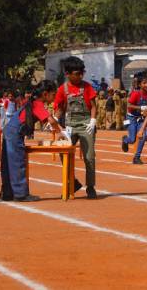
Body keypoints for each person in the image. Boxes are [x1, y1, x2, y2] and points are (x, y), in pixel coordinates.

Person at [0, 80, 65, 202]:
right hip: (15, 133)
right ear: (45, 94)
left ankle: (7, 193)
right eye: (53, 94)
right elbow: (51, 121)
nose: (54, 97)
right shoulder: (37, 104)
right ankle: (20, 194)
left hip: (10, 131)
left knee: (8, 163)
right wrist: (62, 132)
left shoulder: (32, 102)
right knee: (17, 162)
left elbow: (47, 120)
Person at [54, 56, 98, 199]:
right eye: (77, 73)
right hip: (70, 125)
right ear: (68, 74)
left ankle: (90, 187)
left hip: (86, 125)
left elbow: (93, 106)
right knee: (63, 152)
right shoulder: (62, 89)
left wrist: (92, 120)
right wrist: (54, 118)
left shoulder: (87, 87)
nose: (80, 76)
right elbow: (60, 108)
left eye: (81, 73)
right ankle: (71, 182)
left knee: (89, 157)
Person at [121, 73, 147, 164]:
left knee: (143, 136)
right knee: (132, 139)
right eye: (144, 83)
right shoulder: (135, 94)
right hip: (131, 118)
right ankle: (125, 140)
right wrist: (140, 107)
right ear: (139, 85)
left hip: (141, 119)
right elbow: (129, 105)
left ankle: (137, 157)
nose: (146, 85)